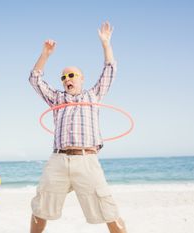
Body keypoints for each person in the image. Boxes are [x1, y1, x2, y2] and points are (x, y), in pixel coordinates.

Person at [28, 21, 127, 233]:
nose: (67, 79)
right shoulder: (56, 98)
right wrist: (45, 54)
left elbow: (110, 70)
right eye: (63, 77)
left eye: (71, 75)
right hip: (59, 159)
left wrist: (106, 44)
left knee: (108, 209)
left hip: (86, 159)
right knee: (40, 207)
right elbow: (35, 79)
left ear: (81, 79)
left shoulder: (93, 95)